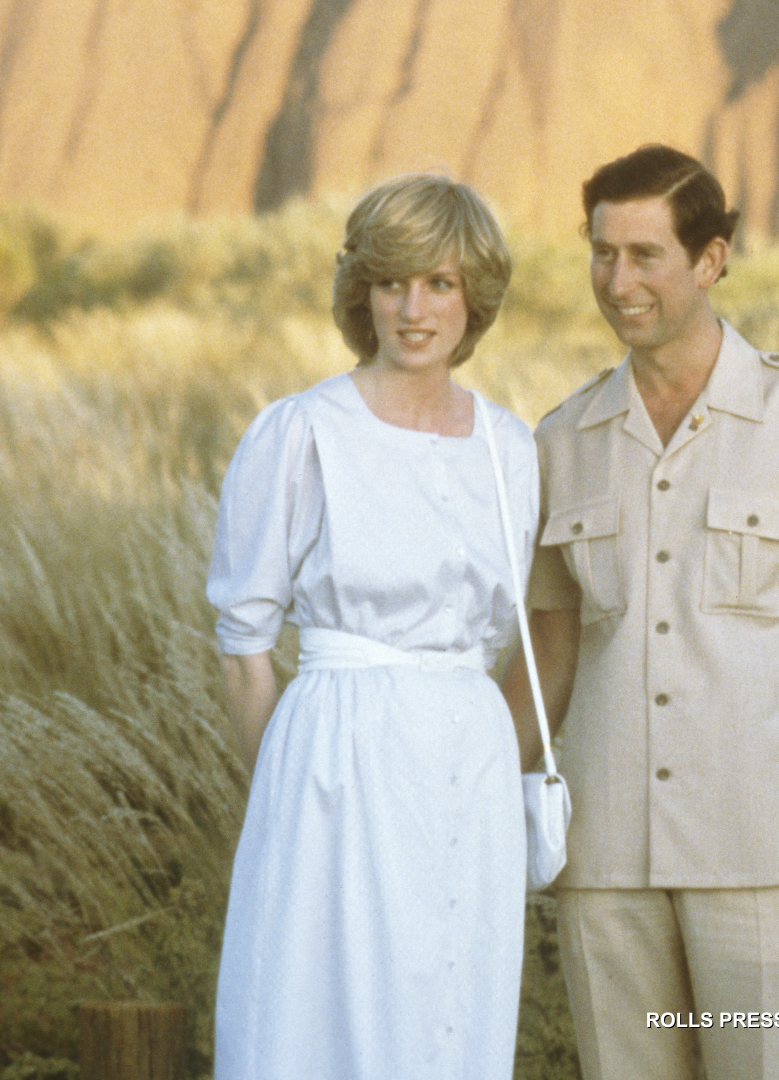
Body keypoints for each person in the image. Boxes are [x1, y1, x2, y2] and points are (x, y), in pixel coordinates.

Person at [502, 145, 779, 1080]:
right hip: (604, 857)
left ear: (712, 259)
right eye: (603, 253)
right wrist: (476, 786)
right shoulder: (561, 440)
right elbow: (549, 653)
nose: (618, 281)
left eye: (645, 255)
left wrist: (777, 738)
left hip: (767, 844)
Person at [206, 174, 538, 1080]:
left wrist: (494, 757)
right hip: (334, 754)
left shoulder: (511, 449)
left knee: (451, 1006)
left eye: (439, 282)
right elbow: (243, 643)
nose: (414, 308)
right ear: (362, 292)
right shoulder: (302, 432)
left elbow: (518, 631)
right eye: (391, 282)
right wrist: (284, 786)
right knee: (312, 1008)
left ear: (476, 297)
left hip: (470, 763)